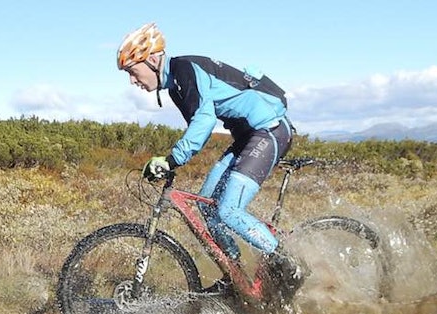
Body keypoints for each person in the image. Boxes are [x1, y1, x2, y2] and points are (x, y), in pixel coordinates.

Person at [116, 22, 306, 299]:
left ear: (153, 59)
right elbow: (197, 125)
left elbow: (203, 123)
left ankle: (290, 266)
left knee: (228, 210)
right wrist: (172, 162)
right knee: (207, 206)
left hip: (269, 130)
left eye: (133, 71)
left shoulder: (184, 70)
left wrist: (172, 159)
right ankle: (234, 274)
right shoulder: (176, 87)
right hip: (248, 136)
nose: (133, 81)